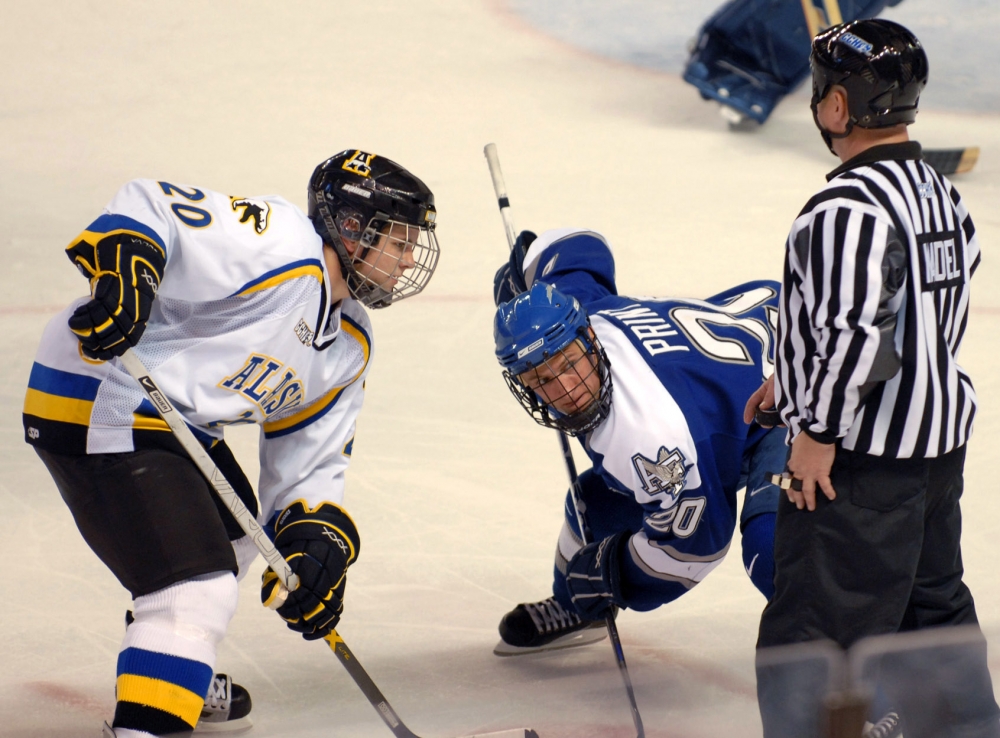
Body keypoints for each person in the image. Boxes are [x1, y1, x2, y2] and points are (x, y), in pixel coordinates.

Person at [22, 150, 439, 737]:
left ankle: (172, 661)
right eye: (399, 240)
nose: (409, 258)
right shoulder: (281, 246)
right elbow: (153, 205)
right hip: (101, 389)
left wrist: (312, 542)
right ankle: (156, 697)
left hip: (173, 421)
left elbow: (309, 466)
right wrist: (129, 271)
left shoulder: (347, 343)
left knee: (240, 538)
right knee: (194, 588)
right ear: (351, 228)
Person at [745, 19, 1000, 737]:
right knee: (933, 621)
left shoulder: (843, 209)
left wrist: (816, 431)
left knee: (812, 643)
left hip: (860, 466)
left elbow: (859, 337)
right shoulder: (940, 194)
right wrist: (789, 387)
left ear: (837, 107)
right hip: (935, 455)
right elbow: (926, 314)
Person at [489, 227, 786, 655]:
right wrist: (525, 273)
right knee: (597, 504)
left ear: (589, 340)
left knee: (772, 546)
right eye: (541, 379)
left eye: (569, 364)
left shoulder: (649, 435)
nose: (565, 389)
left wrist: (617, 574)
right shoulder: (578, 311)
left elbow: (696, 548)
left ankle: (863, 666)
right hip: (732, 374)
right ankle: (577, 608)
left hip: (789, 384)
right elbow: (577, 245)